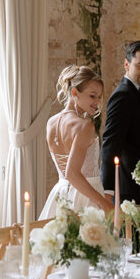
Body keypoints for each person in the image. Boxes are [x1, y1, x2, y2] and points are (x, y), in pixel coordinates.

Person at [40, 66, 113, 218]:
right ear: (74, 93)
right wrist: (103, 202)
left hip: (61, 195)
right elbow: (72, 173)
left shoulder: (51, 122)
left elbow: (67, 174)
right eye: (92, 96)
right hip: (87, 197)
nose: (97, 102)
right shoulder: (84, 126)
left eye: (99, 97)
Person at [101, 40, 140, 204]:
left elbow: (133, 138)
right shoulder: (122, 96)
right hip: (127, 190)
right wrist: (108, 192)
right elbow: (110, 145)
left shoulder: (136, 93)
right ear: (126, 64)